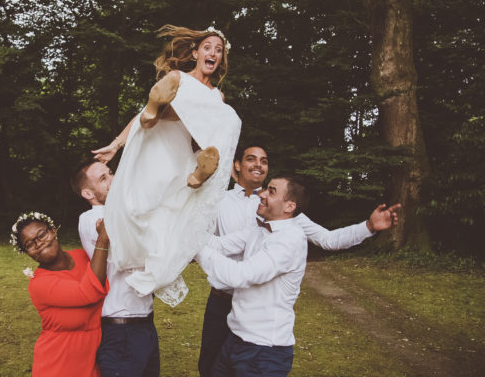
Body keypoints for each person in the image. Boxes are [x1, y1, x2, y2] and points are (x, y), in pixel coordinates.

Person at [198, 144, 402, 376]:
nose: (258, 165)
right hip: (225, 305)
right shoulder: (223, 202)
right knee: (210, 366)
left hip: (263, 327)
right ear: (237, 165)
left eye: (264, 161)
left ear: (289, 206)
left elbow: (329, 239)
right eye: (251, 159)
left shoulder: (289, 220)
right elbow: (211, 240)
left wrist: (368, 227)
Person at [93, 25, 241, 306]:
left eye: (218, 50)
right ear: (196, 52)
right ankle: (154, 108)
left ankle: (200, 174)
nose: (213, 53)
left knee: (229, 118)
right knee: (140, 202)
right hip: (155, 138)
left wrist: (205, 153)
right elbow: (136, 119)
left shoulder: (217, 98)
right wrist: (116, 144)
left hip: (181, 152)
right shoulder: (177, 78)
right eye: (208, 47)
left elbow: (205, 139)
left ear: (221, 59)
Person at [195, 175, 310, 376]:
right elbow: (218, 245)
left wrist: (193, 248)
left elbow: (240, 275)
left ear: (289, 207)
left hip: (264, 352)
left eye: (271, 191)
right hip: (234, 340)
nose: (262, 194)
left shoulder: (290, 239)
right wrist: (184, 230)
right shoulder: (258, 231)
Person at [71, 160, 160, 377]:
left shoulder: (125, 213)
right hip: (120, 329)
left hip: (145, 323)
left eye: (110, 173)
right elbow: (137, 249)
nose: (113, 179)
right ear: (87, 193)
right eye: (103, 179)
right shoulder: (91, 219)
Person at [9, 211, 110, 377]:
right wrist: (103, 240)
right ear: (27, 253)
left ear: (53, 230)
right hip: (58, 366)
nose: (38, 243)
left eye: (41, 234)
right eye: (29, 244)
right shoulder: (39, 284)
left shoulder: (83, 256)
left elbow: (108, 282)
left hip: (93, 361)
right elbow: (89, 291)